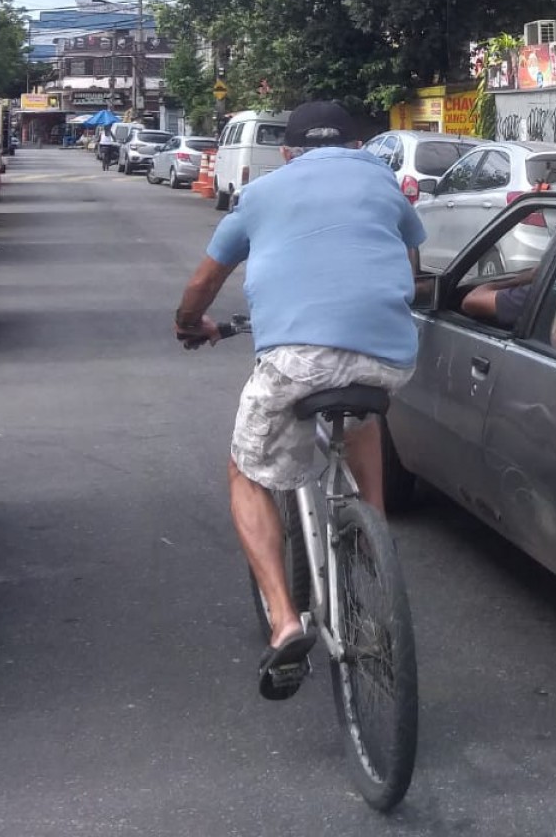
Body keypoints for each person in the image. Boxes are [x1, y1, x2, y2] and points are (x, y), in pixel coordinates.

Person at [171, 100, 427, 702]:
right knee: (360, 411)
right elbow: (410, 270)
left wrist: (189, 324)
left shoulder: (261, 193)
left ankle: (286, 622)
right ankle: (374, 533)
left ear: (286, 152)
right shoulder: (383, 181)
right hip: (389, 354)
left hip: (296, 359)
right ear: (356, 146)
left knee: (246, 471)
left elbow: (204, 283)